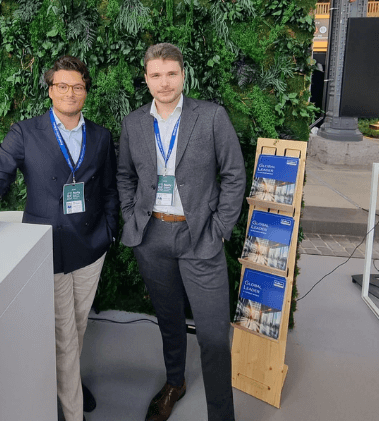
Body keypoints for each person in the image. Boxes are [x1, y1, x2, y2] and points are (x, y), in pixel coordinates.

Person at [0, 56, 119, 421]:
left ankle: (68, 382)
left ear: (85, 91)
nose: (70, 92)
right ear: (50, 90)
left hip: (91, 247)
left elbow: (110, 189)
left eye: (77, 86)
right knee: (64, 336)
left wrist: (110, 232)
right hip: (45, 249)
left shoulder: (100, 135)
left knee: (78, 326)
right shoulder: (25, 132)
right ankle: (73, 411)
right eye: (62, 86)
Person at [116, 43, 246, 421]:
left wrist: (220, 228)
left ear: (183, 75)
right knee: (169, 320)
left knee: (214, 337)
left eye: (171, 73)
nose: (164, 82)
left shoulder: (211, 117)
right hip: (151, 236)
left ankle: (222, 415)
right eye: (156, 75)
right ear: (146, 79)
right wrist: (130, 216)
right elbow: (124, 175)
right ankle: (175, 383)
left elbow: (234, 175)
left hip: (200, 236)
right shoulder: (134, 122)